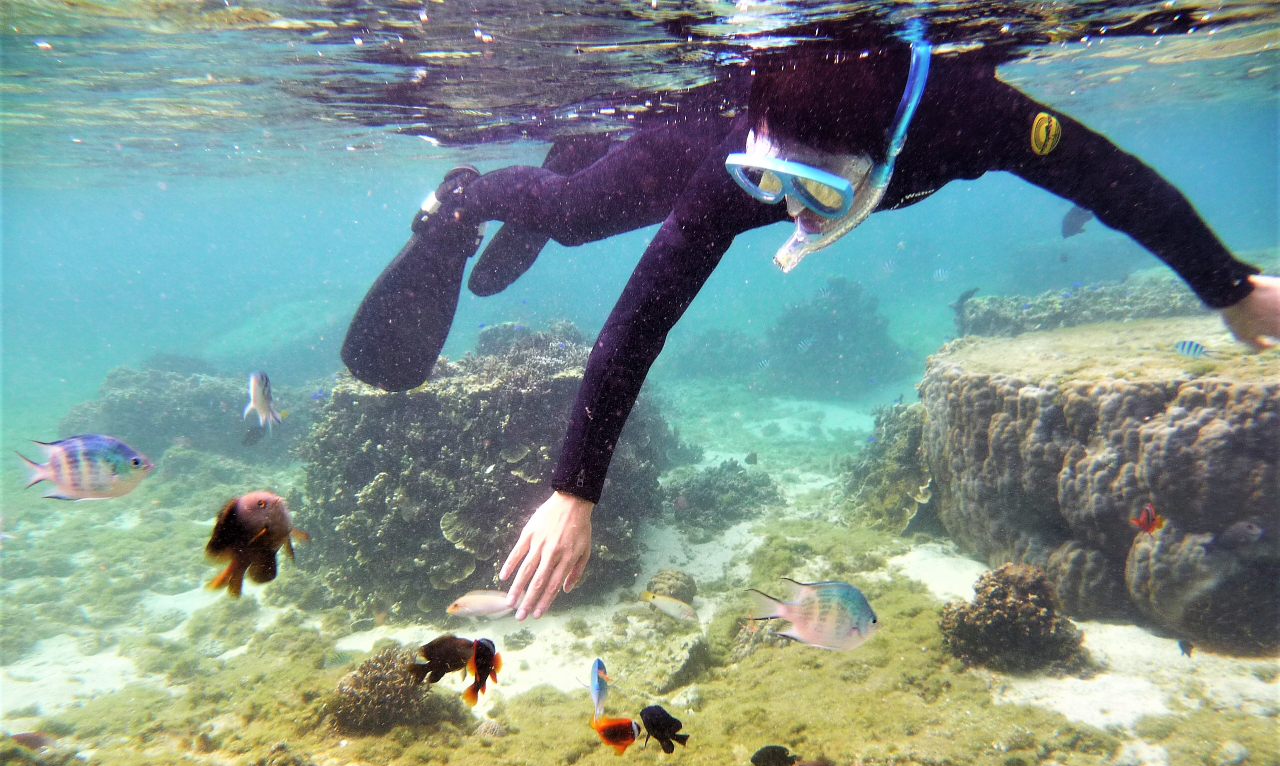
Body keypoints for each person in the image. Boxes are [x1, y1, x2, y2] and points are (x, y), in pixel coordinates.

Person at [342, 31, 1280, 621]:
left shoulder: (970, 114)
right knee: (581, 211)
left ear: (878, 154)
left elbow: (1103, 177)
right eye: (772, 179)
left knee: (596, 211)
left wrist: (1226, 285)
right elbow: (641, 318)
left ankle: (583, 162)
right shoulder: (744, 170)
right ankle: (467, 199)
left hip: (834, 126)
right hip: (700, 127)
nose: (786, 210)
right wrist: (572, 490)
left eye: (817, 192)